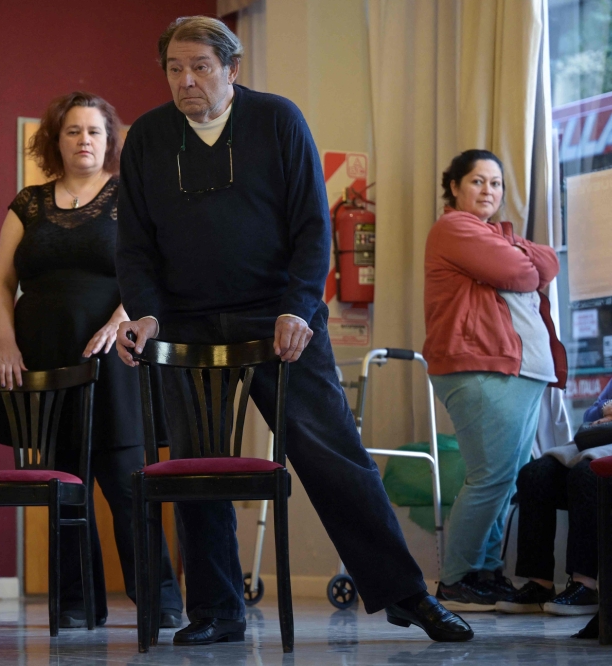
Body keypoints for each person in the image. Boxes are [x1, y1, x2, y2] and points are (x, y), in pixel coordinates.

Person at [115, 16, 472, 645]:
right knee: (200, 467)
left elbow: (313, 227)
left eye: (200, 66)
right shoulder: (146, 138)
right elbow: (135, 246)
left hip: (277, 317)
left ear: (232, 69)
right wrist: (144, 311)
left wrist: (298, 308)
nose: (186, 80)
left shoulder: (278, 120)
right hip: (186, 325)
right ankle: (217, 610)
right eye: (174, 68)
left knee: (330, 451)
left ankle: (405, 595)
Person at [0, 92, 183, 629]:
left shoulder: (128, 195)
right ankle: (76, 605)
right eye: (73, 131)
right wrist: (5, 341)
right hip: (44, 361)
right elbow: (3, 282)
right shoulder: (27, 203)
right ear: (56, 141)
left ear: (109, 140)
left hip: (113, 358)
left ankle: (160, 601)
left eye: (94, 131)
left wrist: (120, 318)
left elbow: (151, 271)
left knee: (125, 482)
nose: (84, 141)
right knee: (65, 486)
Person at [423, 149, 567, 611]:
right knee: (492, 478)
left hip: (517, 370)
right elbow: (523, 271)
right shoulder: (455, 228)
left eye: (496, 184)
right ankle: (456, 580)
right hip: (482, 365)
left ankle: (485, 573)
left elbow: (548, 260)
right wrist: (525, 257)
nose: (489, 191)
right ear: (455, 188)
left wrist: (525, 254)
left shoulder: (493, 235)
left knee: (507, 481)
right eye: (477, 182)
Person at [495, 380, 612, 616]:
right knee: (534, 475)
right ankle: (539, 584)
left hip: (600, 454)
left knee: (585, 474)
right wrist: (606, 409)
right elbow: (590, 414)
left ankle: (585, 585)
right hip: (600, 441)